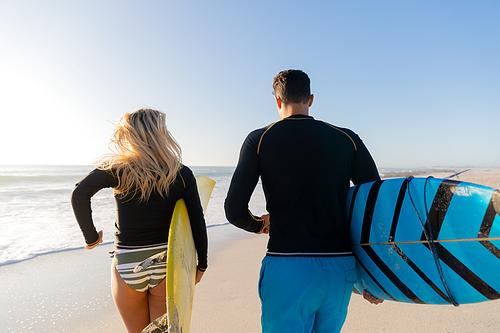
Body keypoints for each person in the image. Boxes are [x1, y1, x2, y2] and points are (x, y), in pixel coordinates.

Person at [224, 69, 382, 333]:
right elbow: (375, 206)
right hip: (339, 268)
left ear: (277, 100)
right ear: (310, 99)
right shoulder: (347, 139)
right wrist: (374, 278)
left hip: (288, 265)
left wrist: (259, 224)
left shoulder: (259, 139)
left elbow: (234, 210)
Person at [71, 108, 208, 333]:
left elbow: (79, 194)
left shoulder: (118, 169)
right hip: (166, 263)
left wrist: (91, 238)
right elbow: (196, 221)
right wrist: (201, 264)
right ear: (161, 133)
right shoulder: (181, 173)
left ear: (131, 134)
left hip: (127, 264)